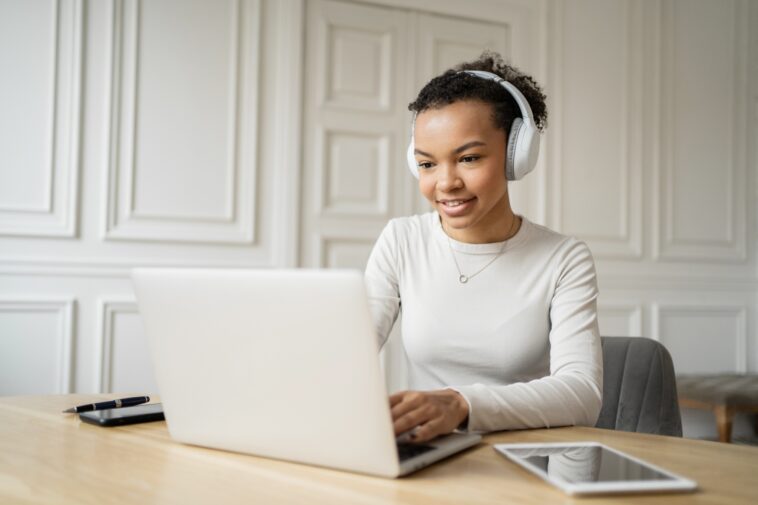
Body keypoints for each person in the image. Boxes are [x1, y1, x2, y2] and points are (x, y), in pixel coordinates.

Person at [364, 51, 603, 444]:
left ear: (516, 155)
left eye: (469, 158)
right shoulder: (401, 240)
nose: (445, 183)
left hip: (529, 461)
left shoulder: (564, 259)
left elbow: (582, 393)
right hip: (429, 456)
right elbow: (350, 353)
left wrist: (461, 404)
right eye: (427, 164)